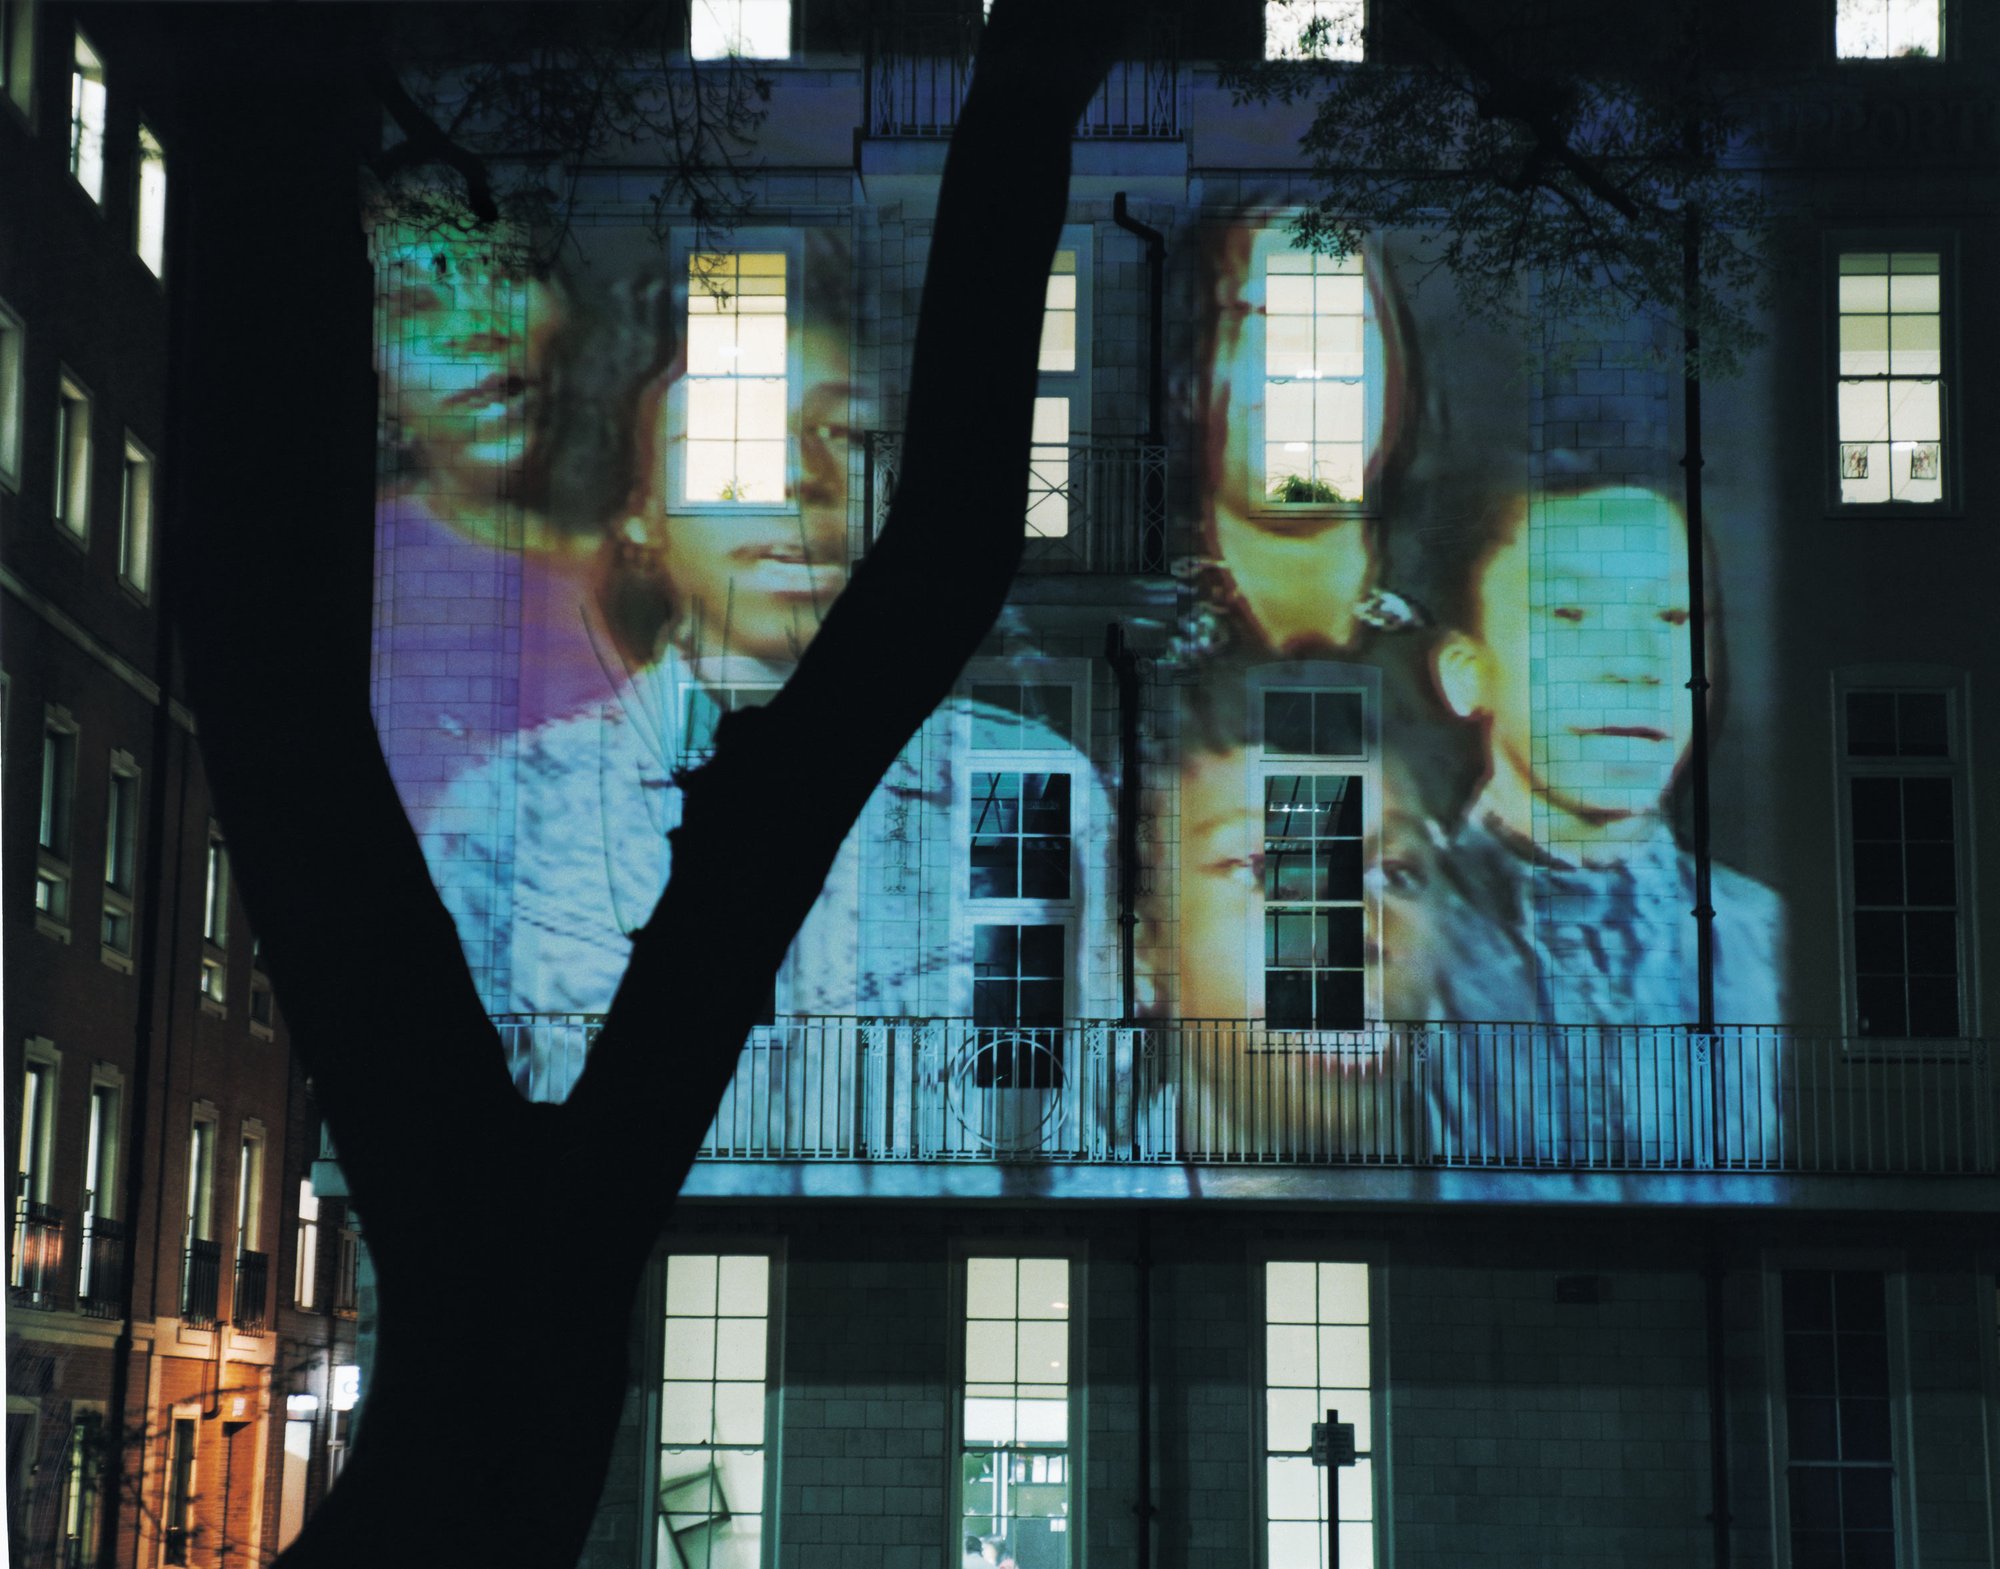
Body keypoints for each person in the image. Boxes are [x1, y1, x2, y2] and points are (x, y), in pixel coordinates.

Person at [1380, 483, 1783, 1162]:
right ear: (1466, 671)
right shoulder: (1391, 945)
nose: (1634, 666)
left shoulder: (1766, 942)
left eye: (1675, 616)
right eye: (1569, 614)